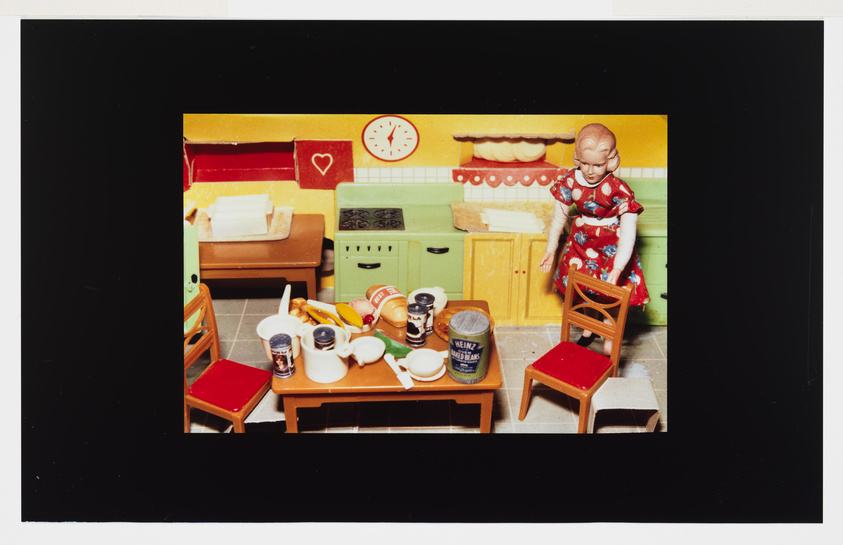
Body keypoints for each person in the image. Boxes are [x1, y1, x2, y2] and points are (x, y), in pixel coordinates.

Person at [539, 123, 650, 354]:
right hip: (581, 241)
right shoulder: (570, 180)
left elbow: (629, 234)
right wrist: (550, 249)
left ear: (610, 162)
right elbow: (558, 217)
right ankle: (589, 329)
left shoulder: (619, 189)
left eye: (598, 165)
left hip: (612, 246)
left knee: (612, 292)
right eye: (585, 163)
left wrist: (619, 267)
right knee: (584, 287)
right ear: (578, 158)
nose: (590, 171)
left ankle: (610, 329)